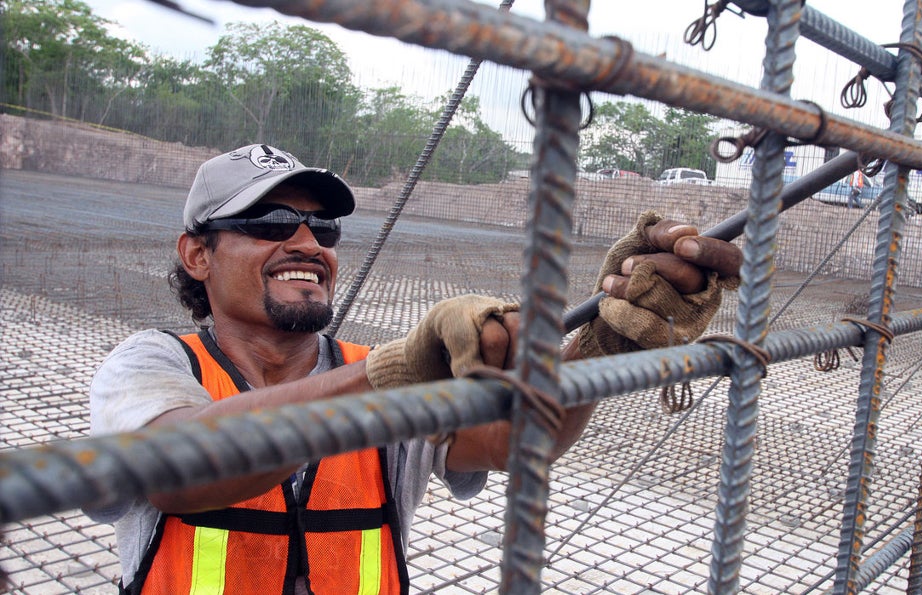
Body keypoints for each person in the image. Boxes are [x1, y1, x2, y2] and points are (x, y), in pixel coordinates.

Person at [86, 144, 743, 593]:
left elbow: (513, 440)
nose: (308, 243)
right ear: (197, 255)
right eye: (271, 222)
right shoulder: (154, 363)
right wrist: (392, 372)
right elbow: (176, 468)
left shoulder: (370, 369)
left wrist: (600, 346)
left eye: (324, 229)